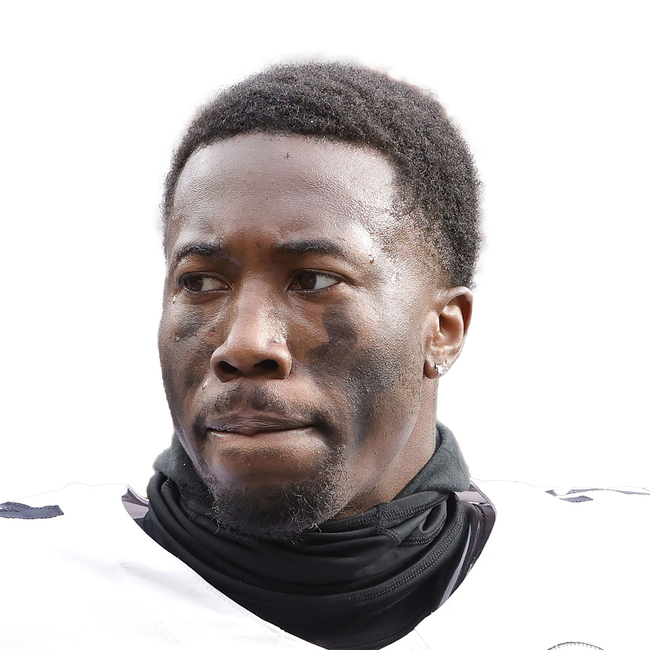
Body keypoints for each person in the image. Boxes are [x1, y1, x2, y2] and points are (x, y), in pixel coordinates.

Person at [1, 50, 647, 650]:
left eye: (313, 280)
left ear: (445, 329)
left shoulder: (617, 572)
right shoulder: (23, 586)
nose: (245, 344)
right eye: (200, 282)